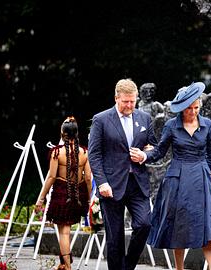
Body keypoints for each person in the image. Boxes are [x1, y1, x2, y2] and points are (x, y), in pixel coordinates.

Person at [130, 82, 211, 270]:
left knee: (209, 224)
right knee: (179, 226)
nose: (193, 112)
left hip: (202, 176)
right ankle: (179, 268)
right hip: (178, 179)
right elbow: (159, 152)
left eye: (196, 108)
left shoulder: (207, 124)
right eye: (189, 108)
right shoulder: (171, 126)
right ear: (182, 108)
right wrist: (144, 155)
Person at [88, 78, 157, 270]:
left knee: (144, 225)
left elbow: (154, 147)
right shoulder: (101, 119)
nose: (129, 105)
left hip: (137, 182)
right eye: (125, 101)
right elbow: (94, 154)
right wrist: (101, 183)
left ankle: (127, 267)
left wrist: (144, 155)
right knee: (115, 237)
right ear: (116, 98)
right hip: (111, 184)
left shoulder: (144, 118)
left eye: (132, 101)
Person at [35, 116, 92, 270]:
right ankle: (63, 263)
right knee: (66, 230)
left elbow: (52, 177)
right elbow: (88, 178)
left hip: (62, 192)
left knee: (64, 232)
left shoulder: (57, 153)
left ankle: (67, 266)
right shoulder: (84, 152)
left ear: (62, 133)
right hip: (79, 194)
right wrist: (89, 198)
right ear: (77, 133)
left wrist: (41, 198)